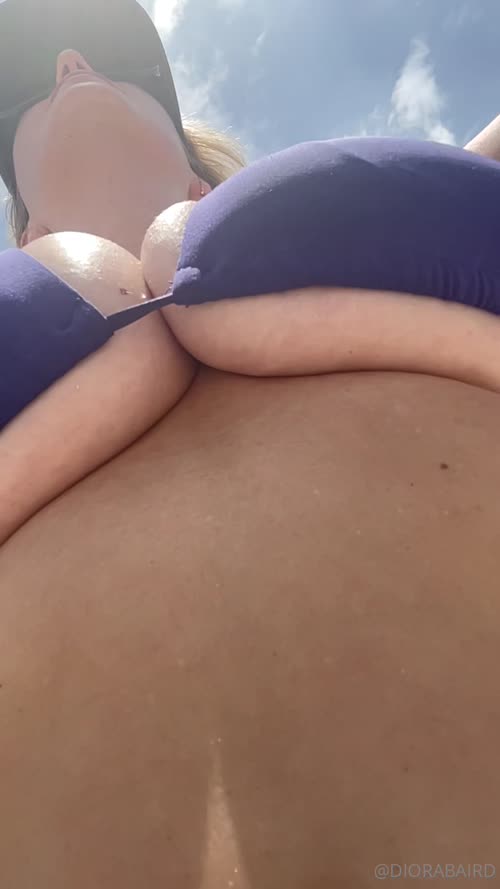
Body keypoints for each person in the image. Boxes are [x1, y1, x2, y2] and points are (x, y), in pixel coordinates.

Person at [2, 1, 500, 885]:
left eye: (110, 69)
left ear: (202, 184)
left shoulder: (389, 216)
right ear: (27, 234)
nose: (71, 62)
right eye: (41, 88)